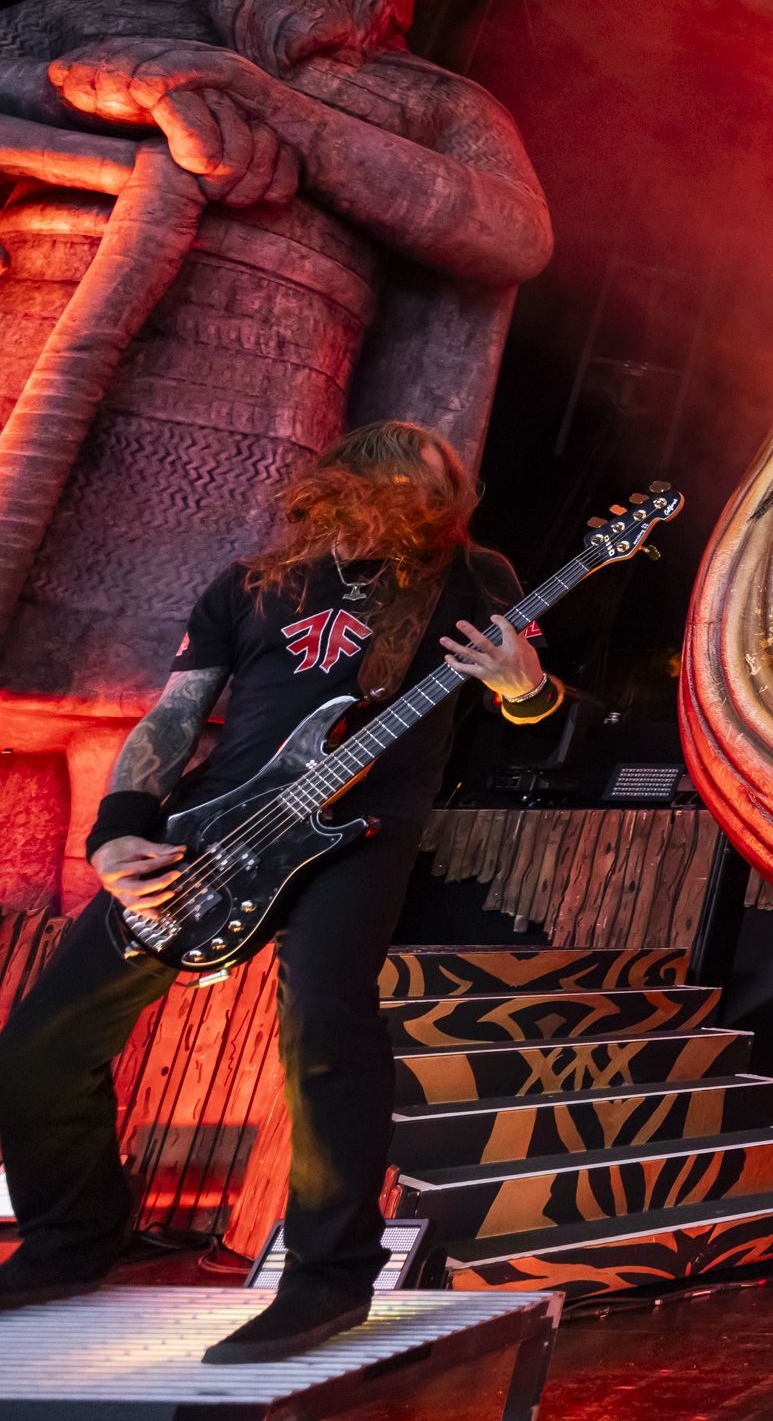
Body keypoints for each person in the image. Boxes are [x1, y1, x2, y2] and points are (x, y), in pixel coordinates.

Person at [0, 422, 563, 1362]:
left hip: (357, 834)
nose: (438, 501)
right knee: (39, 1044)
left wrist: (526, 690)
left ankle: (328, 1280)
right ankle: (70, 1238)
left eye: (446, 489)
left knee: (326, 1032)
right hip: (210, 832)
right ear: (348, 485)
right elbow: (178, 712)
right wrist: (116, 830)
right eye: (415, 482)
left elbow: (531, 706)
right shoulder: (250, 585)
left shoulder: (475, 575)